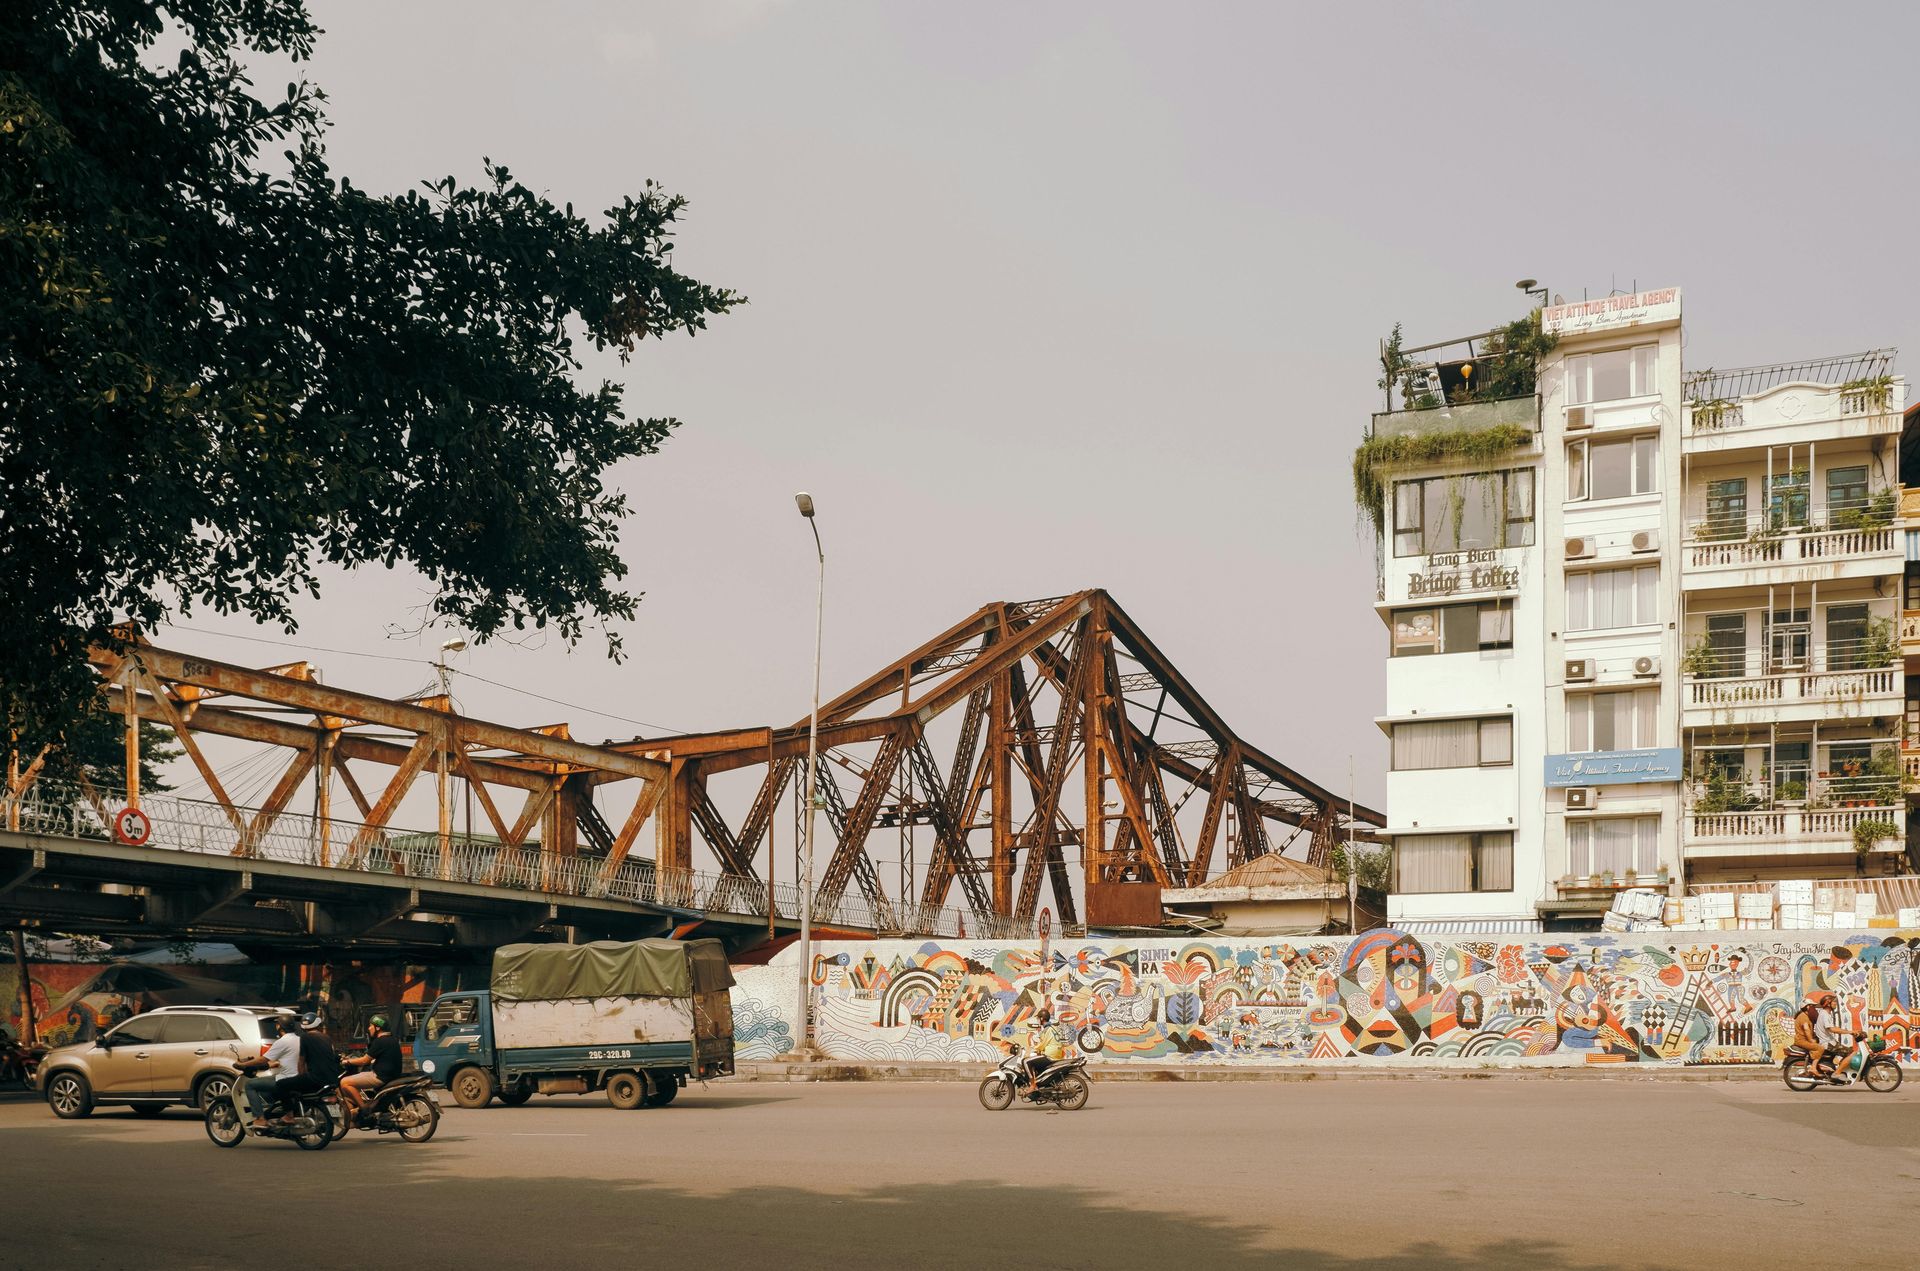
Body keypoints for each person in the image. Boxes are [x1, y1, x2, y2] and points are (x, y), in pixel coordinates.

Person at [273, 1011, 343, 1120]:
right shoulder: (327, 1038)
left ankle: (289, 1115)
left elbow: (301, 1061)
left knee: (281, 1084)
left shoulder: (305, 1038)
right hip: (332, 1078)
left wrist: (300, 1076)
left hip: (316, 1078)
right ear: (318, 1024)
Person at [246, 1015, 303, 1130]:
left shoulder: (282, 1041)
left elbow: (263, 1059)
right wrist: (276, 1063)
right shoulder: (300, 1040)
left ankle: (260, 1119)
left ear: (279, 1026)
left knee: (250, 1085)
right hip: (300, 1078)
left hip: (286, 1079)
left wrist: (244, 1064)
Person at [340, 1015, 401, 1121]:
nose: (369, 1028)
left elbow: (364, 1061)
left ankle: (364, 1108)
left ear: (378, 1028)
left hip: (379, 1077)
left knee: (345, 1082)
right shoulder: (393, 1040)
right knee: (360, 1076)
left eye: (371, 1026)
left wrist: (347, 1061)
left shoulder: (380, 1041)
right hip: (391, 1075)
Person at [1793, 991, 1837, 1076]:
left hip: (1804, 1040)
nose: (1814, 1008)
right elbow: (1806, 1030)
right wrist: (1811, 1040)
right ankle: (1813, 1068)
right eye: (1812, 1006)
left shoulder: (1808, 1016)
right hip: (1802, 1041)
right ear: (1807, 1007)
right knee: (1820, 1048)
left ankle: (1822, 1066)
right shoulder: (1803, 1016)